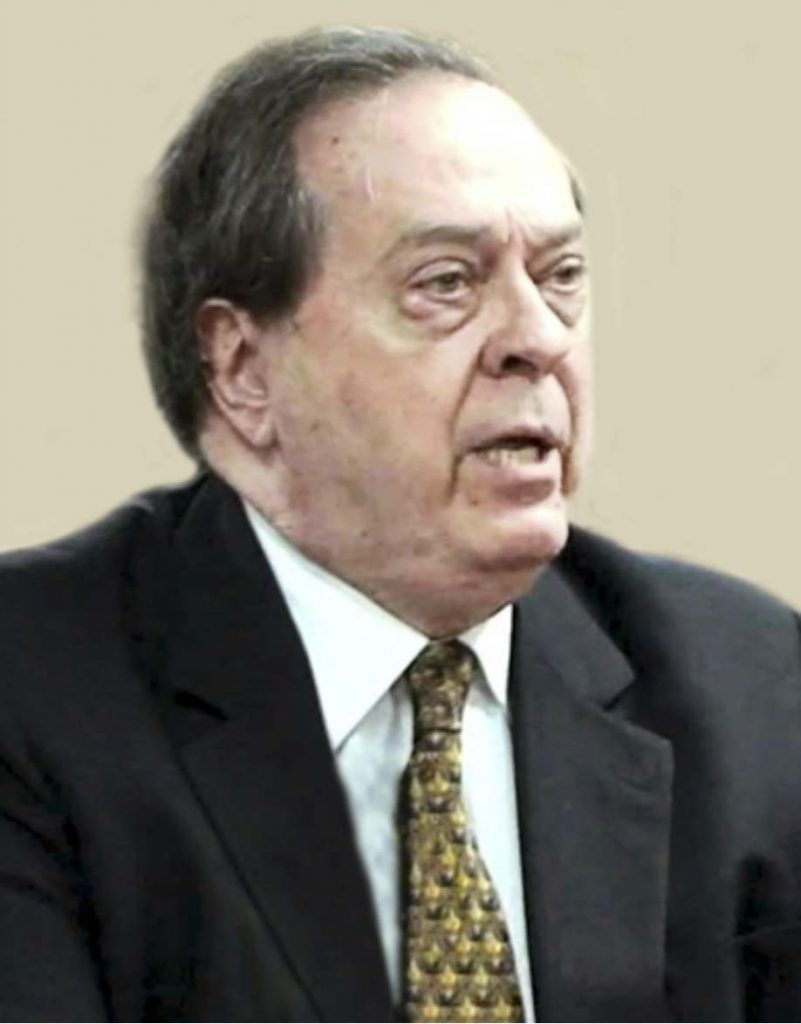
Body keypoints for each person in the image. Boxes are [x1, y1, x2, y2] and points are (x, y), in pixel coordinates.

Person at [0, 25, 799, 1024]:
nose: (537, 339)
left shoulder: (749, 687)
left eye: (560, 276)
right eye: (447, 284)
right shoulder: (32, 690)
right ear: (244, 371)